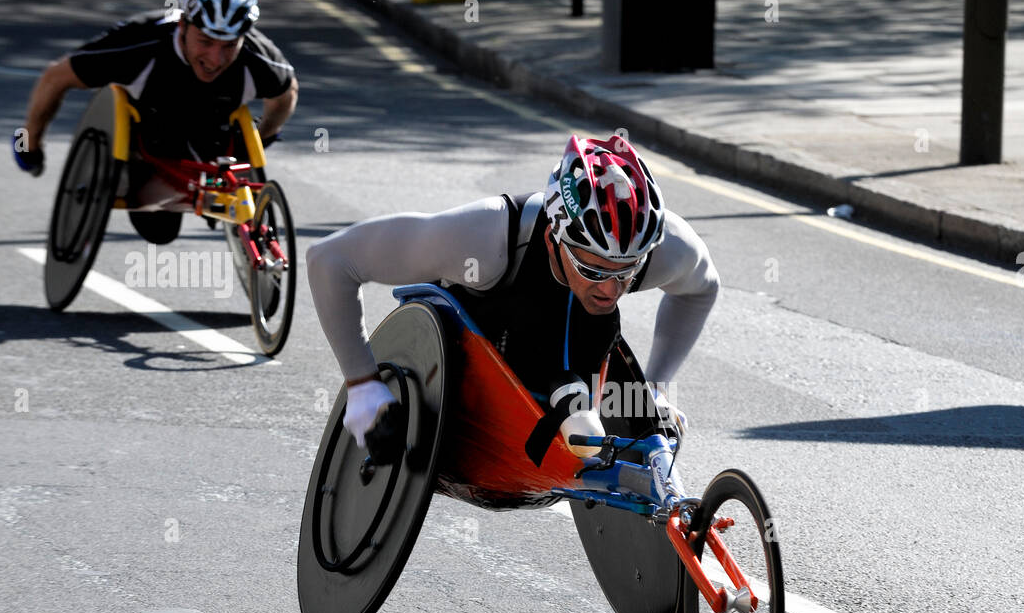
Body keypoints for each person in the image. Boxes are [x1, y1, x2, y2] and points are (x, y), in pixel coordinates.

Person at [306, 134, 718, 454]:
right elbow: (330, 260)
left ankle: (575, 405)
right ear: (555, 233)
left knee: (607, 340)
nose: (612, 287)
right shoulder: (482, 238)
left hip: (577, 356)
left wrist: (658, 386)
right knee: (547, 323)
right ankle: (565, 400)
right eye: (594, 268)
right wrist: (361, 384)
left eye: (627, 270)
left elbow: (701, 290)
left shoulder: (661, 248)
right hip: (475, 338)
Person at [14, 0, 298, 242]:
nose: (216, 58)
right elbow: (54, 78)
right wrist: (30, 142)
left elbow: (286, 94)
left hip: (209, 148)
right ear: (183, 26)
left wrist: (262, 138)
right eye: (206, 41)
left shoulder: (260, 59)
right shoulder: (139, 45)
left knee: (169, 224)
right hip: (145, 146)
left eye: (229, 45)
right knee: (159, 231)